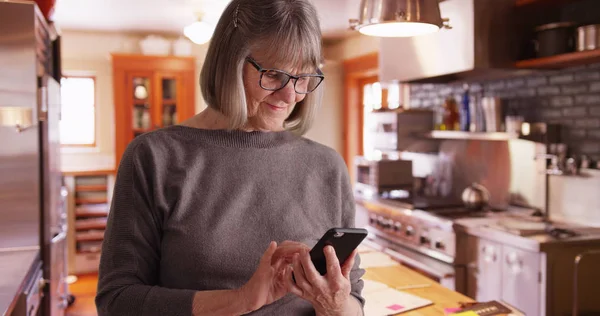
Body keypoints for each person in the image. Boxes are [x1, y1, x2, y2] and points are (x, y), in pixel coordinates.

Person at [95, 0, 365, 315]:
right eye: (274, 74)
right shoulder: (153, 157)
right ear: (229, 64)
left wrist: (333, 305)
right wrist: (240, 300)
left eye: (304, 78)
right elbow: (117, 302)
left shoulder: (327, 166)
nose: (291, 95)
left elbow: (354, 301)